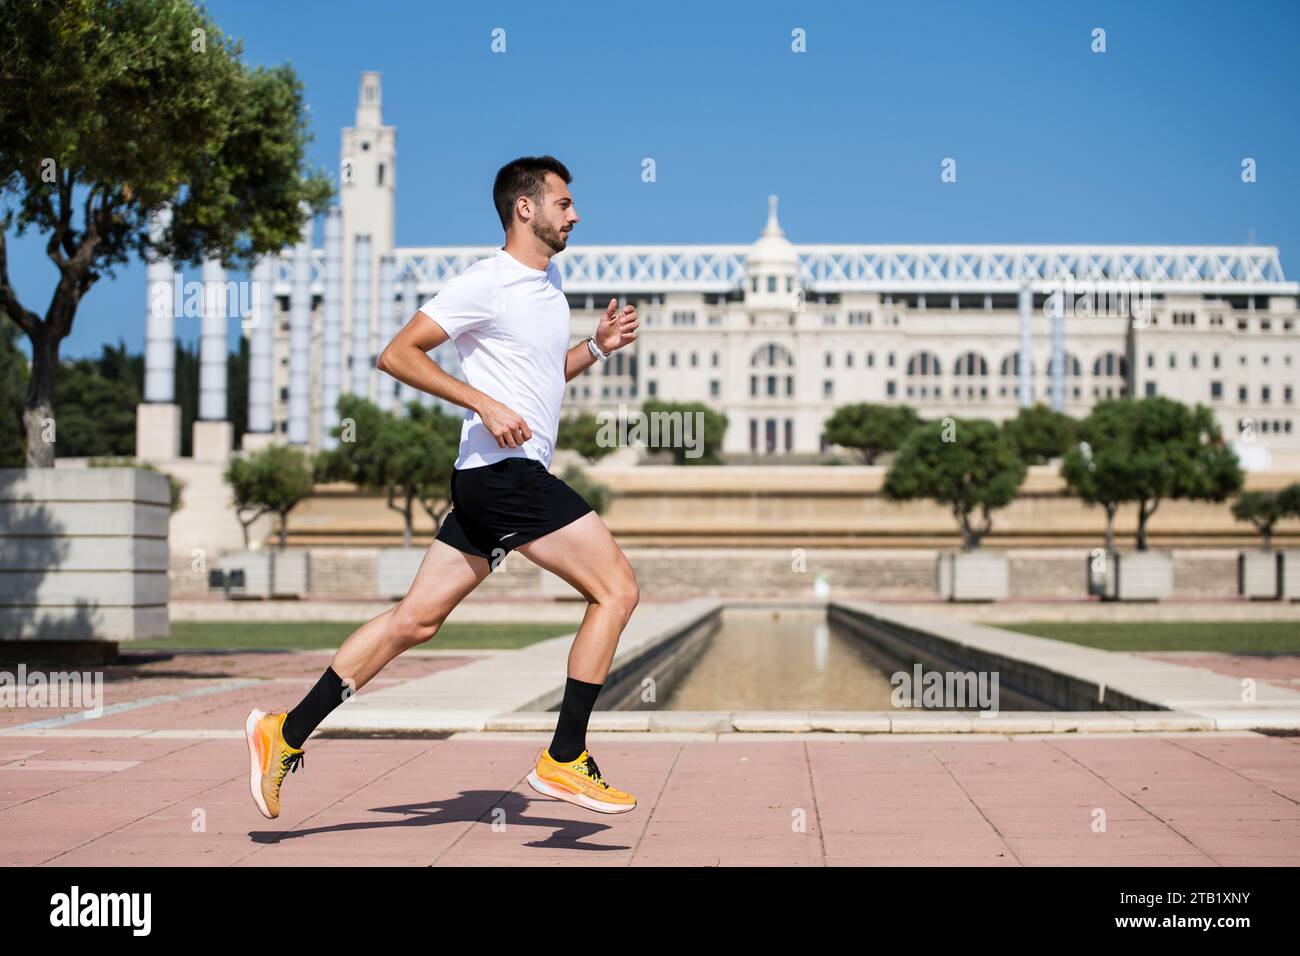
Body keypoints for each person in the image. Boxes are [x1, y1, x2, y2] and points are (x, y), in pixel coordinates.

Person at [245, 155, 642, 818]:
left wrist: (596, 348)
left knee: (415, 621)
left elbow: (541, 382)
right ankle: (565, 756)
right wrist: (481, 402)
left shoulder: (551, 283)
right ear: (525, 207)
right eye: (564, 203)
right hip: (503, 476)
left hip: (493, 480)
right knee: (618, 589)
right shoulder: (485, 282)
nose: (576, 214)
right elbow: (398, 354)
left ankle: (282, 733)